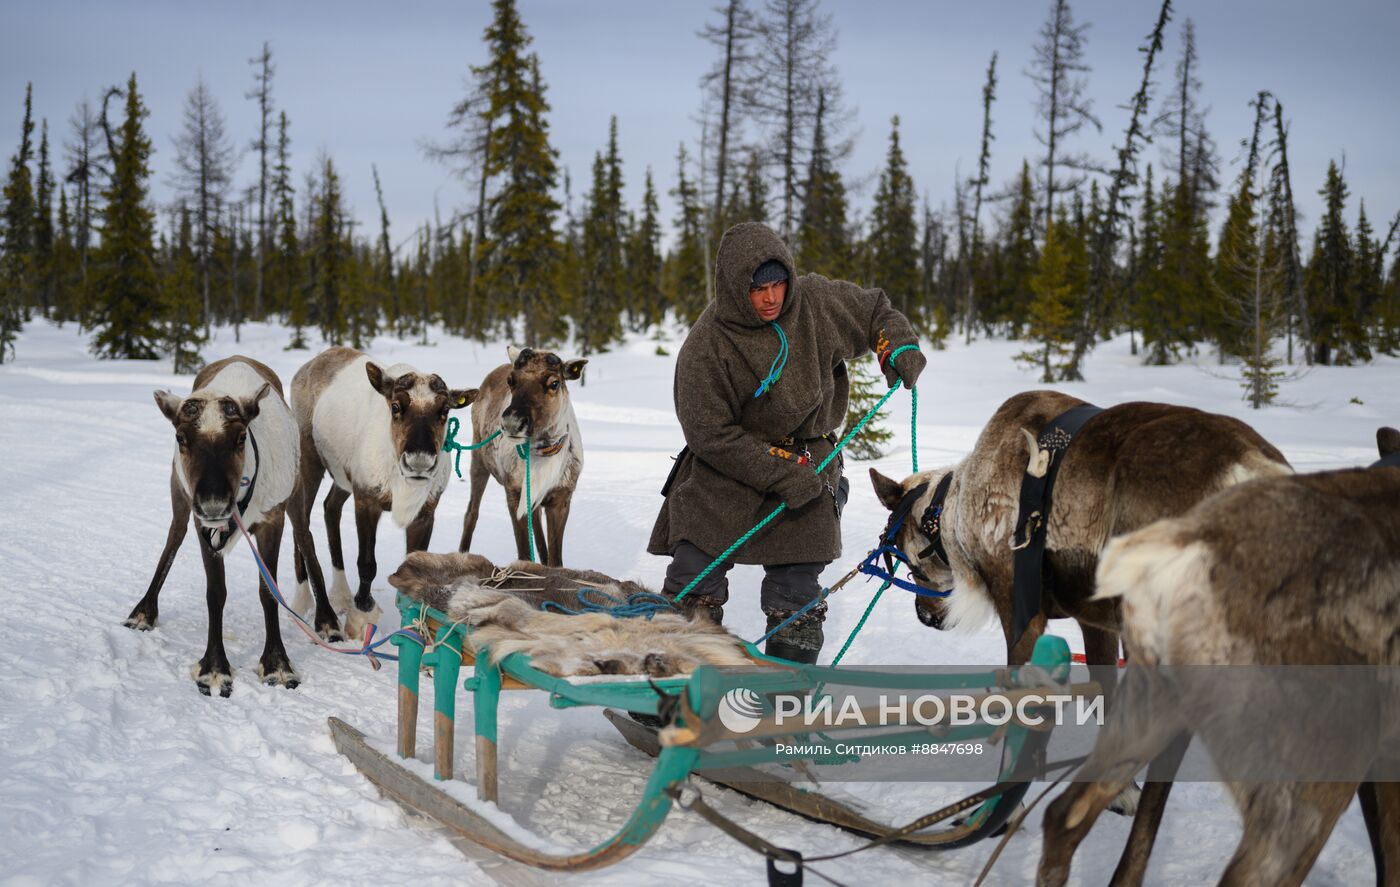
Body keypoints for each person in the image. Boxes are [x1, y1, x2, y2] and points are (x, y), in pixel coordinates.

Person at [648, 221, 925, 663]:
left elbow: (876, 312)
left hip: (809, 463)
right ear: (735, 288)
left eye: (779, 284)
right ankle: (671, 691)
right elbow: (708, 433)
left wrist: (897, 343)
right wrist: (777, 472)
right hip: (728, 468)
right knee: (693, 578)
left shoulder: (815, 302)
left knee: (795, 594)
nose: (772, 297)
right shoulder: (707, 343)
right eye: (759, 289)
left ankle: (786, 696)